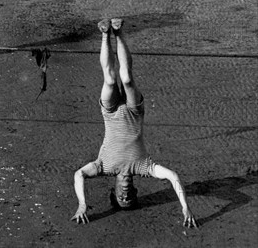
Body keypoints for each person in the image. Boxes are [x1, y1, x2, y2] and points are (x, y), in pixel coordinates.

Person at [71, 18, 198, 228]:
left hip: (110, 112)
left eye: (123, 198)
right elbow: (172, 176)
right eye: (131, 198)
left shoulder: (103, 167)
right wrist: (185, 206)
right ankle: (118, 33)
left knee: (110, 80)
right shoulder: (144, 167)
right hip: (134, 111)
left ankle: (104, 33)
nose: (126, 194)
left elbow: (79, 174)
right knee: (127, 78)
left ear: (115, 190)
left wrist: (82, 204)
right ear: (136, 191)